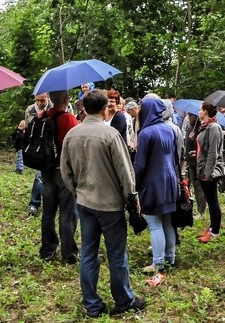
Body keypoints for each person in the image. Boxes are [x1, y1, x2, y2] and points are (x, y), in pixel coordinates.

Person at [61, 89, 146, 317]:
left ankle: (92, 304)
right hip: (110, 206)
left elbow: (65, 171)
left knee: (88, 253)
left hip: (84, 202)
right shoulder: (110, 136)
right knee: (117, 254)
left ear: (83, 108)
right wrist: (132, 198)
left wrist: (77, 191)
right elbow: (125, 172)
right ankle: (124, 300)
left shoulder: (72, 135)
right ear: (105, 108)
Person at [133, 96, 179, 285]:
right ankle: (170, 258)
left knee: (154, 223)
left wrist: (135, 183)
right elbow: (176, 156)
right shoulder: (170, 130)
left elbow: (141, 164)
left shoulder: (146, 133)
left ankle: (158, 262)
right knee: (167, 221)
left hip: (153, 182)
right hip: (170, 180)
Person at [39, 90, 80, 263]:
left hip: (46, 169)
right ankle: (68, 252)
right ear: (66, 99)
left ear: (50, 99)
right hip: (64, 170)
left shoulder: (42, 116)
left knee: (48, 212)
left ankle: (48, 249)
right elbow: (77, 144)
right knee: (67, 212)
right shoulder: (69, 119)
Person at [196, 102, 225, 243]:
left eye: (200, 109)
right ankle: (211, 227)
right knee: (210, 200)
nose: (198, 112)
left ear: (206, 111)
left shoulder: (214, 127)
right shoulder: (205, 126)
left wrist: (207, 173)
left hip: (208, 171)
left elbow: (213, 153)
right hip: (203, 167)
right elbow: (206, 148)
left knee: (213, 201)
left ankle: (215, 231)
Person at [24, 93, 50, 216]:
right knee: (39, 175)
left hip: (52, 145)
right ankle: (34, 203)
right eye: (38, 100)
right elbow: (27, 127)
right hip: (38, 147)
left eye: (42, 100)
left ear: (48, 98)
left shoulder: (54, 107)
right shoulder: (30, 110)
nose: (40, 103)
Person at [182, 112, 207, 218]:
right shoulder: (190, 127)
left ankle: (202, 210)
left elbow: (204, 146)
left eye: (191, 115)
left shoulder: (201, 129)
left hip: (198, 162)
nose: (189, 117)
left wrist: (196, 150)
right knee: (193, 186)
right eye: (188, 115)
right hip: (190, 161)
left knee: (198, 186)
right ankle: (198, 209)